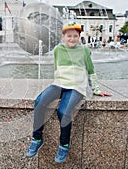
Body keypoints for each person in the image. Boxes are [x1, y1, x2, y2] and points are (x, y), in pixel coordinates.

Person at [26, 22, 111, 163]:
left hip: (76, 87)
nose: (72, 39)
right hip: (59, 84)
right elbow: (57, 68)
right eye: (69, 36)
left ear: (79, 37)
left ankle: (64, 145)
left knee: (63, 111)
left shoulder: (84, 51)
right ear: (63, 36)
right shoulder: (58, 50)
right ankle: (37, 138)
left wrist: (96, 89)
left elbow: (90, 70)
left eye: (75, 36)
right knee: (39, 102)